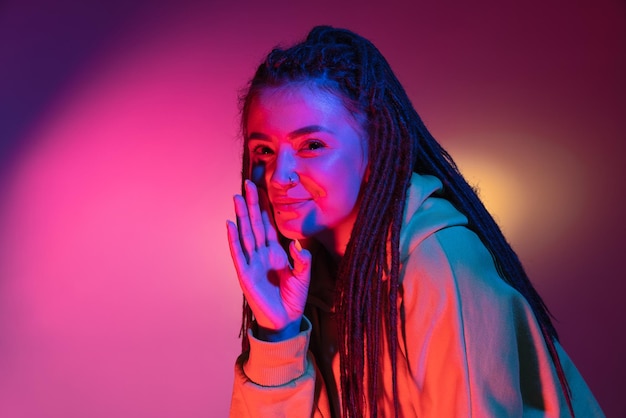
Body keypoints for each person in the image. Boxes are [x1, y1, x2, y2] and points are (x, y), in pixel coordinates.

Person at [225, 26, 604, 417]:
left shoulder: (440, 264)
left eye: (312, 145)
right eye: (263, 150)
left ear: (375, 146)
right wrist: (278, 334)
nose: (277, 175)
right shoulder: (307, 277)